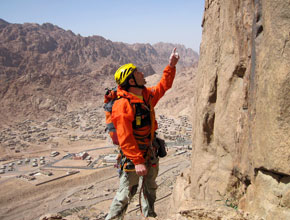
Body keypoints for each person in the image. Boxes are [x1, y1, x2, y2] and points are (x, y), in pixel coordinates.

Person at [105, 48, 180, 220]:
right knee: (126, 193)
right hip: (133, 157)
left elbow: (163, 86)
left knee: (150, 189)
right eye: (138, 72)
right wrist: (137, 161)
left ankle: (149, 216)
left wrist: (171, 66)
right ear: (131, 80)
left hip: (150, 150)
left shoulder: (145, 96)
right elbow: (125, 137)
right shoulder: (123, 104)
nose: (142, 73)